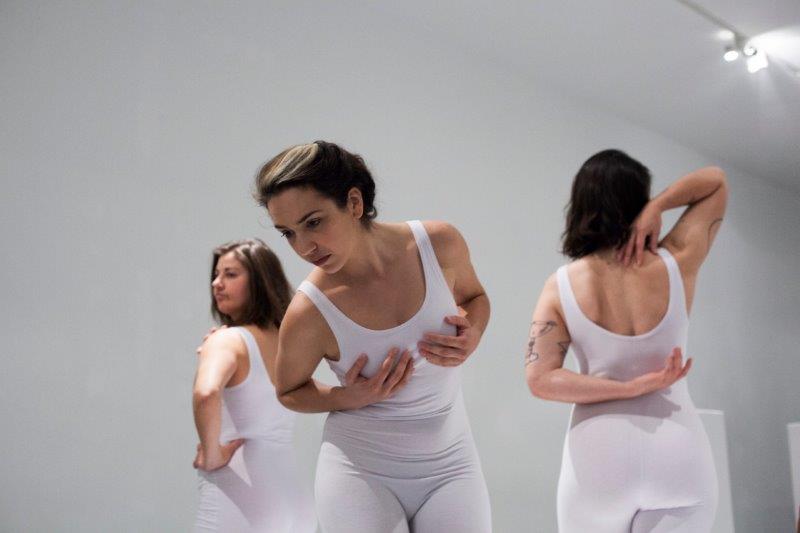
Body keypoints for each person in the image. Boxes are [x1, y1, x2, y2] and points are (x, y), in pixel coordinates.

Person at [254, 141, 493, 533]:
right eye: (288, 233)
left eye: (313, 222)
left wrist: (474, 332)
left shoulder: (438, 244)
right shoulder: (310, 311)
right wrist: (349, 396)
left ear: (353, 202)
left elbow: (475, 298)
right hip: (360, 472)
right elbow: (289, 391)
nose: (303, 247)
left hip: (452, 463)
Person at [525, 150, 727, 532]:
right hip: (678, 454)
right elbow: (715, 181)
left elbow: (540, 380)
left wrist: (628, 388)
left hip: (597, 463)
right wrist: (659, 205)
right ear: (639, 201)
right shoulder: (678, 260)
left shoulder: (561, 285)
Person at [192, 239, 316, 532]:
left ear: (260, 281)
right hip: (296, 504)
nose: (217, 283)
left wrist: (212, 455)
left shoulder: (226, 340)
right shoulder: (287, 344)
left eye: (230, 274)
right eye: (216, 275)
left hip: (241, 498)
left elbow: (206, 393)